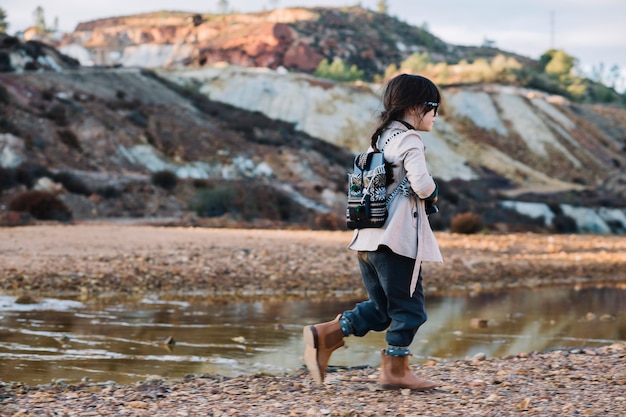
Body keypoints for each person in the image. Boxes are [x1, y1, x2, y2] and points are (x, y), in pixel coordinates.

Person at [303, 73, 443, 390]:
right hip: (396, 242)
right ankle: (395, 370)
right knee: (410, 310)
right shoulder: (409, 140)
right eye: (434, 107)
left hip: (367, 240)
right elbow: (422, 185)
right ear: (416, 107)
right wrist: (434, 193)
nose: (436, 115)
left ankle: (327, 335)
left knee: (382, 310)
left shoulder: (379, 140)